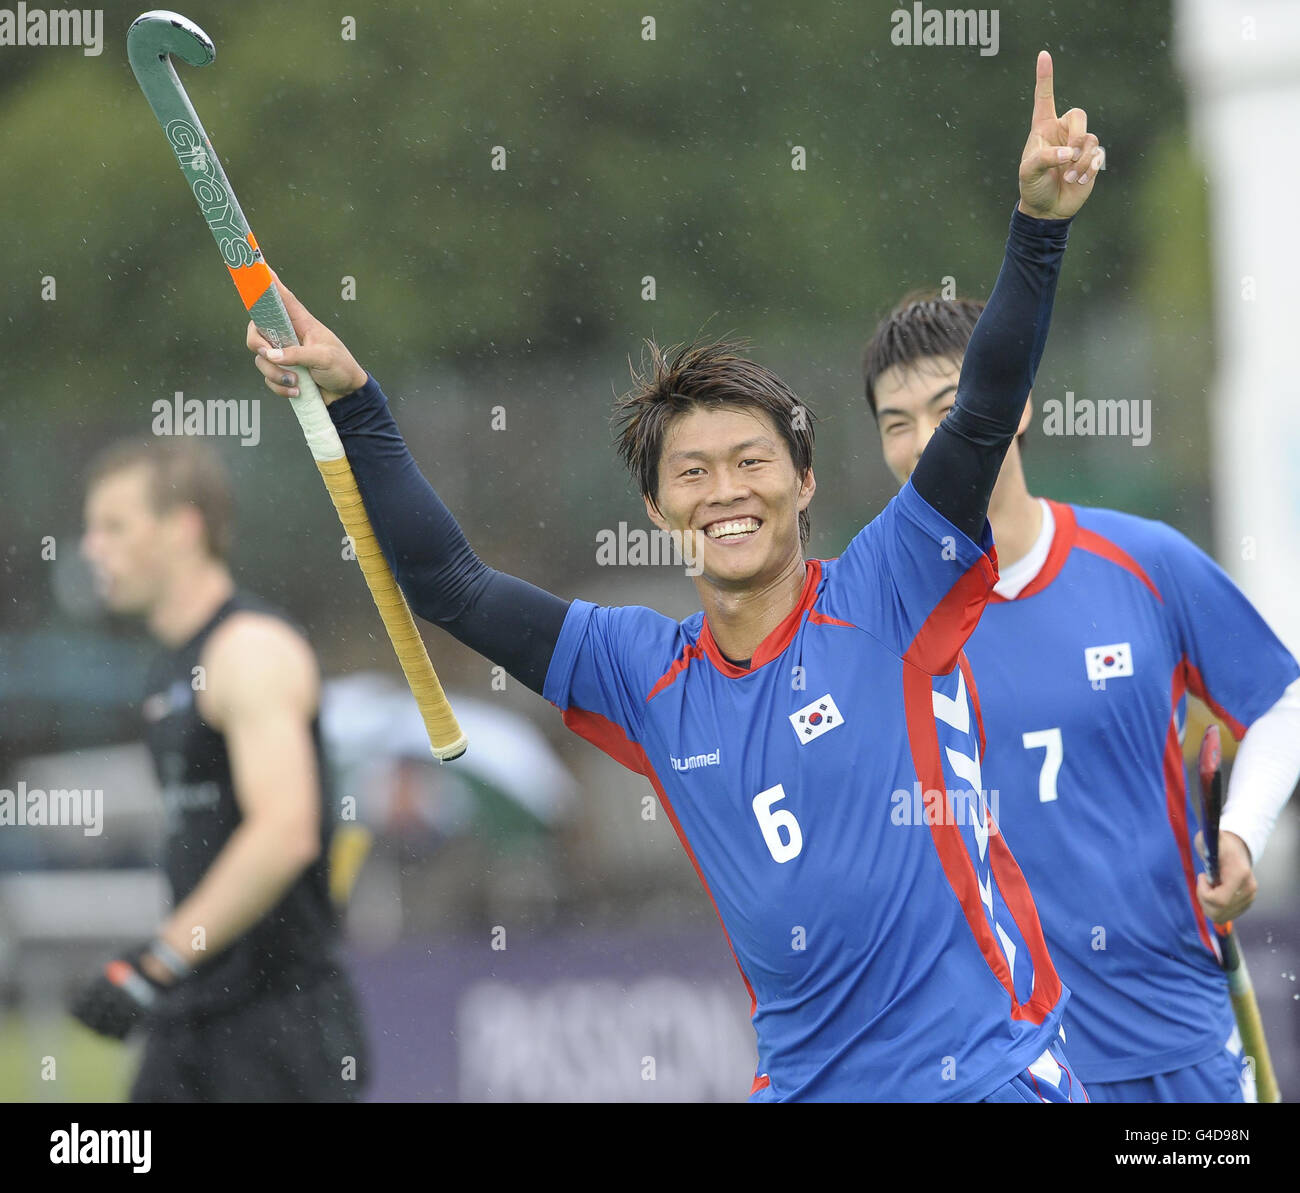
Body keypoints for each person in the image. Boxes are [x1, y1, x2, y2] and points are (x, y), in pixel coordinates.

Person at [246, 52, 1101, 1102]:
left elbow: (979, 413)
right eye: (690, 472)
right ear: (656, 509)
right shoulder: (634, 666)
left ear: (803, 477)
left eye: (751, 462)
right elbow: (452, 583)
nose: (724, 491)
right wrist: (354, 398)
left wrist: (1038, 226)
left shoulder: (890, 584)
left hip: (987, 1079)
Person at [861, 292, 1300, 1103]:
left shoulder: (1144, 562)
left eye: (950, 407)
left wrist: (1241, 832)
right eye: (896, 421)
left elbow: (1282, 701)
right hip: (1005, 1069)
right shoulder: (880, 625)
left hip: (1179, 1037)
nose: (927, 441)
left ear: (1015, 402)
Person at [72, 436, 368, 1102]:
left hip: (275, 1028)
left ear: (184, 528)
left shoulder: (250, 650)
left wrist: (155, 961)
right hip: (194, 1016)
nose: (93, 547)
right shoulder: (169, 665)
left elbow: (284, 830)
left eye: (114, 526)